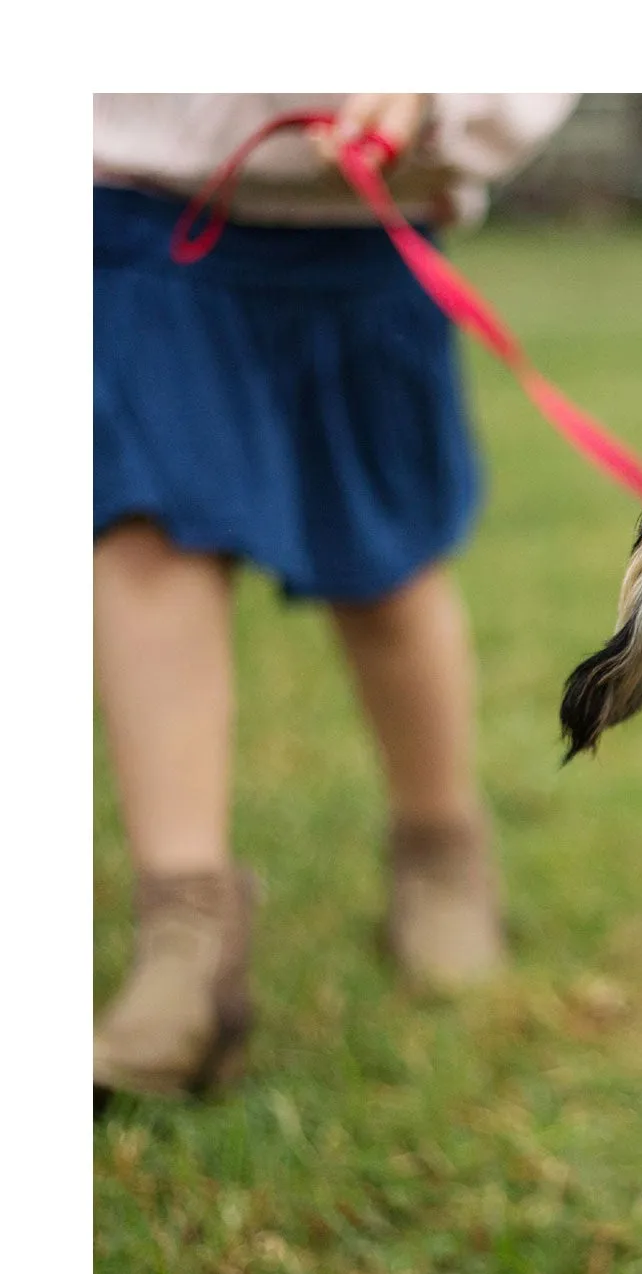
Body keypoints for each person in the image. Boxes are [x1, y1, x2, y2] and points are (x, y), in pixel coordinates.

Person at [93, 93, 577, 1104]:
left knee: (384, 566)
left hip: (363, 228)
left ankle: (440, 851)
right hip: (132, 211)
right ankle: (185, 935)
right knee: (143, 538)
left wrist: (447, 96)